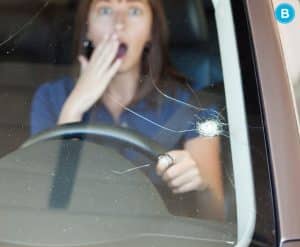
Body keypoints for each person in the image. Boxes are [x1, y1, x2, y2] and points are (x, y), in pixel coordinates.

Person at [31, 0, 224, 217]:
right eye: (105, 10)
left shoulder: (192, 106)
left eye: (134, 11)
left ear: (151, 31)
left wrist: (200, 184)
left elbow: (215, 216)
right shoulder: (50, 97)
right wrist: (74, 107)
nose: (119, 24)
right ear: (88, 29)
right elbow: (44, 205)